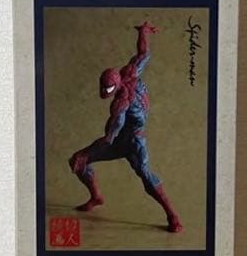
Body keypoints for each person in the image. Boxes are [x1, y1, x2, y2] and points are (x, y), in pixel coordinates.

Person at [69, 22, 183, 233]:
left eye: (108, 89)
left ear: (115, 85)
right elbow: (144, 53)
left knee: (145, 176)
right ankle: (96, 197)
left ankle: (172, 216)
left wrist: (85, 153)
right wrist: (144, 32)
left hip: (132, 142)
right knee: (81, 161)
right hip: (127, 137)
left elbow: (109, 138)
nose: (104, 92)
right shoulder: (131, 72)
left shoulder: (121, 104)